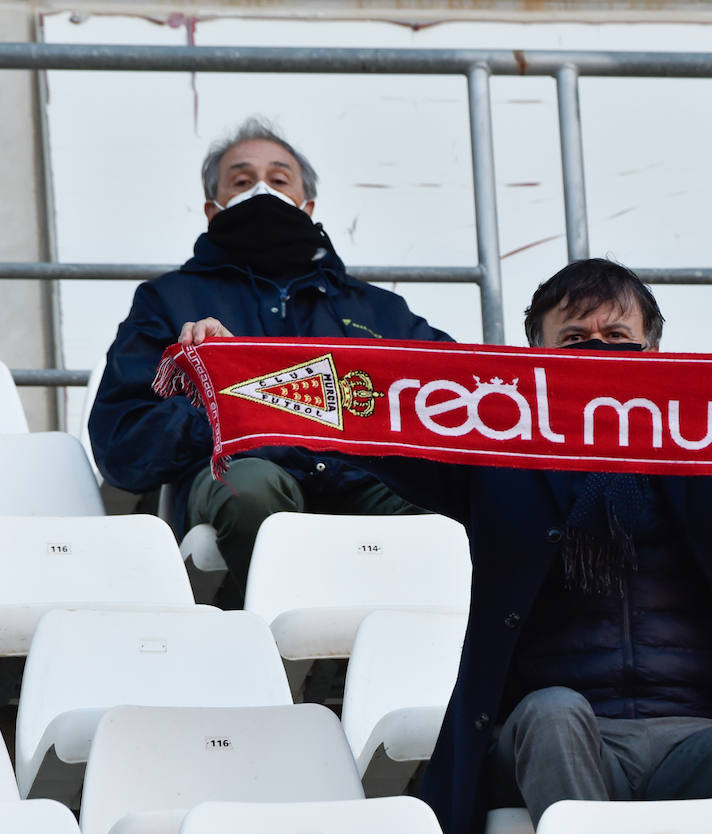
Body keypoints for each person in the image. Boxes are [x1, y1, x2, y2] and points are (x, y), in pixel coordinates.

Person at [316, 258, 712, 834]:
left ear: (657, 349)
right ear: (533, 352)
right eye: (575, 339)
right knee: (555, 712)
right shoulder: (492, 454)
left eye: (618, 338)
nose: (598, 353)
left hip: (700, 743)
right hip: (557, 742)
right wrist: (233, 365)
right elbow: (365, 420)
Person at [89, 118, 450, 605]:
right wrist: (215, 399)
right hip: (241, 474)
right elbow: (122, 445)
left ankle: (427, 656)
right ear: (212, 209)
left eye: (279, 179)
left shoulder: (378, 310)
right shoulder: (169, 302)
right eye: (241, 180)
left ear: (309, 204)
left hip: (359, 479)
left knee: (449, 502)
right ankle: (282, 655)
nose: (261, 189)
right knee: (252, 488)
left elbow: (450, 398)